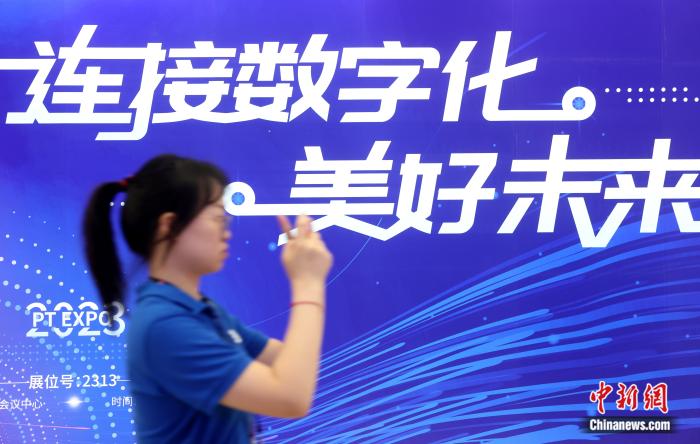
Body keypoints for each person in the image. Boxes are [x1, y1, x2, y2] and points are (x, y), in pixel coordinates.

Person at [81, 153, 333, 443]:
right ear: (168, 226)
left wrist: (308, 276)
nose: (226, 233)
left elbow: (289, 364)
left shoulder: (200, 309)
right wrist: (307, 283)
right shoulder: (165, 325)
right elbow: (290, 397)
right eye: (218, 218)